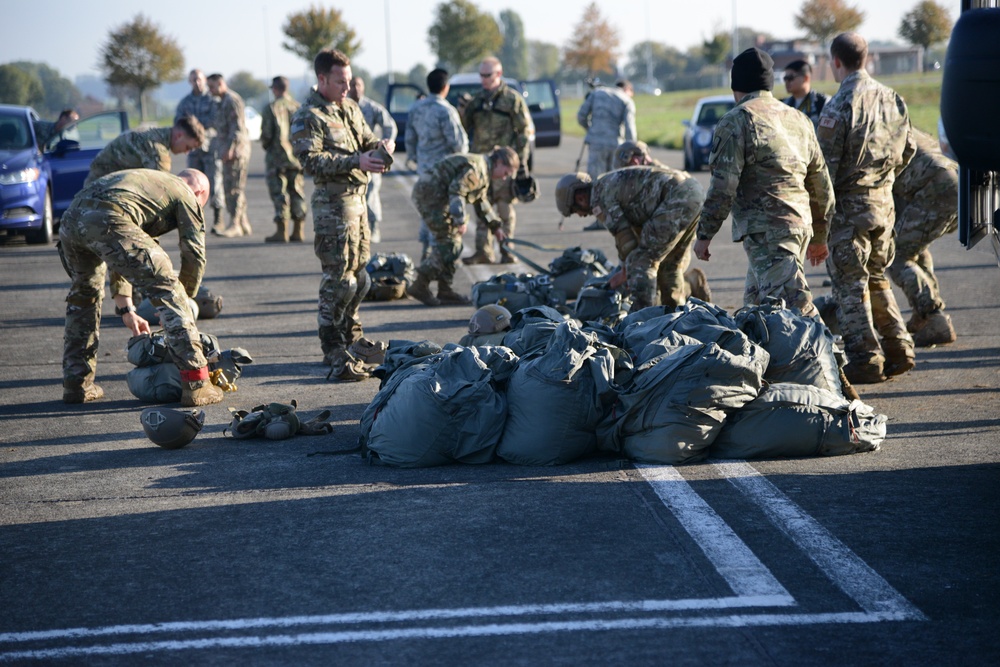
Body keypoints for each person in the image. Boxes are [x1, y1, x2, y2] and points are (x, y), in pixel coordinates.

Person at [58, 168, 223, 407]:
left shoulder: (150, 186)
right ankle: (197, 385)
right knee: (169, 289)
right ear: (200, 192)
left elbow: (121, 251)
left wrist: (127, 309)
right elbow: (194, 255)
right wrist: (181, 306)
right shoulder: (187, 193)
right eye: (202, 204)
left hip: (72, 219)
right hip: (108, 217)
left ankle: (77, 385)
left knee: (84, 296)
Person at [693, 47, 835, 320]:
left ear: (738, 86)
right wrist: (819, 234)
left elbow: (723, 186)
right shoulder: (799, 118)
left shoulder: (737, 120)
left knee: (798, 313)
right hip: (797, 226)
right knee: (756, 311)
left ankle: (828, 359)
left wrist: (704, 234)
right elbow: (821, 183)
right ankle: (768, 361)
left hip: (769, 232)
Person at [817, 32, 917, 384]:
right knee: (876, 277)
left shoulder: (839, 105)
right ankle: (898, 347)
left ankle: (866, 358)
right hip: (884, 207)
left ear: (837, 62)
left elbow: (824, 169)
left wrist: (818, 222)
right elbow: (909, 151)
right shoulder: (894, 99)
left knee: (850, 285)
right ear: (867, 58)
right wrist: (882, 182)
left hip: (849, 211)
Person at [290, 48, 394, 381]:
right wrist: (355, 162)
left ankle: (352, 335)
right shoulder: (309, 116)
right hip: (333, 208)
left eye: (349, 81)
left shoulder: (348, 107)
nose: (347, 88)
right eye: (340, 82)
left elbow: (365, 139)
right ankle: (332, 345)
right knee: (338, 279)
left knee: (360, 277)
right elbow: (309, 162)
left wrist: (381, 147)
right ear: (322, 79)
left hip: (358, 203)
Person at [555, 166, 703, 312]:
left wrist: (625, 273)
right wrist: (625, 270)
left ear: (580, 199)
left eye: (575, 211)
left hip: (677, 198)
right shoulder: (606, 183)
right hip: (693, 192)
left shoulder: (599, 198)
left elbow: (627, 242)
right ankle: (677, 315)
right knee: (669, 265)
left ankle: (644, 318)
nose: (581, 215)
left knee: (641, 260)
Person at [407, 147, 518, 307]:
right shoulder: (477, 169)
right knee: (449, 244)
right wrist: (459, 219)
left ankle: (445, 290)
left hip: (437, 196)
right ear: (499, 162)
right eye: (506, 172)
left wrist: (496, 227)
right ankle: (420, 284)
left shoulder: (483, 170)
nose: (504, 178)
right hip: (430, 196)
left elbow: (480, 201)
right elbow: (456, 191)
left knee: (453, 242)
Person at [888, 127, 959, 347]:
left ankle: (933, 316)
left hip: (937, 189)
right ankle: (924, 314)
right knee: (914, 249)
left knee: (896, 256)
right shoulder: (901, 125)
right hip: (956, 184)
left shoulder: (875, 133)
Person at [460, 56, 531, 265]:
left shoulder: (512, 99)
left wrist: (520, 163)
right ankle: (483, 251)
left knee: (504, 210)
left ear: (498, 74)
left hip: (504, 166)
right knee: (482, 207)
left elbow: (524, 132)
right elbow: (465, 127)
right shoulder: (477, 100)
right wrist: (463, 110)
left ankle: (507, 250)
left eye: (487, 75)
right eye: (481, 75)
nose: (483, 79)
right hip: (482, 164)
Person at [405, 67, 469, 260]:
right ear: (445, 87)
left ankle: (426, 248)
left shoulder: (415, 108)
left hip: (424, 168)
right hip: (443, 171)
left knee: (426, 208)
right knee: (441, 212)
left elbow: (409, 138)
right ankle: (437, 254)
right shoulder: (446, 111)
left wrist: (414, 158)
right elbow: (459, 143)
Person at [83, 116, 205, 186]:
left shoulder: (150, 132)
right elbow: (161, 190)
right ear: (179, 136)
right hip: (102, 191)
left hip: (96, 184)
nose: (186, 152)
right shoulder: (158, 152)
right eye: (188, 147)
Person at [348, 76, 398, 244]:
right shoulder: (342, 107)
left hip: (371, 159)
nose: (355, 88)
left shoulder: (370, 107)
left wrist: (385, 147)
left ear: (363, 87)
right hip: (351, 160)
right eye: (352, 85)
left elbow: (389, 125)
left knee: (370, 194)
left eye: (359, 85)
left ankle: (374, 227)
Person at [260, 76, 307, 243]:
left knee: (279, 193)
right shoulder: (299, 108)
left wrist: (268, 146)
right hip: (296, 158)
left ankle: (282, 231)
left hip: (276, 157)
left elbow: (266, 135)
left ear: (275, 89)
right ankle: (298, 230)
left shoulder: (270, 108)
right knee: (297, 192)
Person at [175, 69, 224, 230]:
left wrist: (196, 126)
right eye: (193, 80)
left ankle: (218, 219)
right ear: (190, 81)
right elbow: (179, 123)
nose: (197, 82)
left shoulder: (212, 100)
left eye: (199, 79)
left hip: (211, 148)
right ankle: (196, 220)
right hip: (192, 150)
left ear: (204, 80)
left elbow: (216, 120)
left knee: (215, 181)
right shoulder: (184, 102)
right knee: (193, 185)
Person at [206, 73, 252, 237]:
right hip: (227, 149)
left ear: (220, 83)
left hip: (236, 151)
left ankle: (235, 224)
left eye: (211, 86)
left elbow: (237, 128)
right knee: (232, 186)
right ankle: (243, 222)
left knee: (234, 188)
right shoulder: (222, 101)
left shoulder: (232, 100)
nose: (209, 90)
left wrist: (231, 149)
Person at [577, 80, 637, 178]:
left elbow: (581, 116)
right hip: (616, 144)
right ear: (627, 89)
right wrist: (632, 149)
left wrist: (590, 129)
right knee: (614, 180)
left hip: (596, 143)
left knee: (595, 179)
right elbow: (630, 127)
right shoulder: (627, 101)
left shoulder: (597, 93)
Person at [781, 60, 830, 127]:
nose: (787, 82)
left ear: (806, 78)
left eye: (790, 78)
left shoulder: (822, 102)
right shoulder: (783, 105)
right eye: (785, 78)